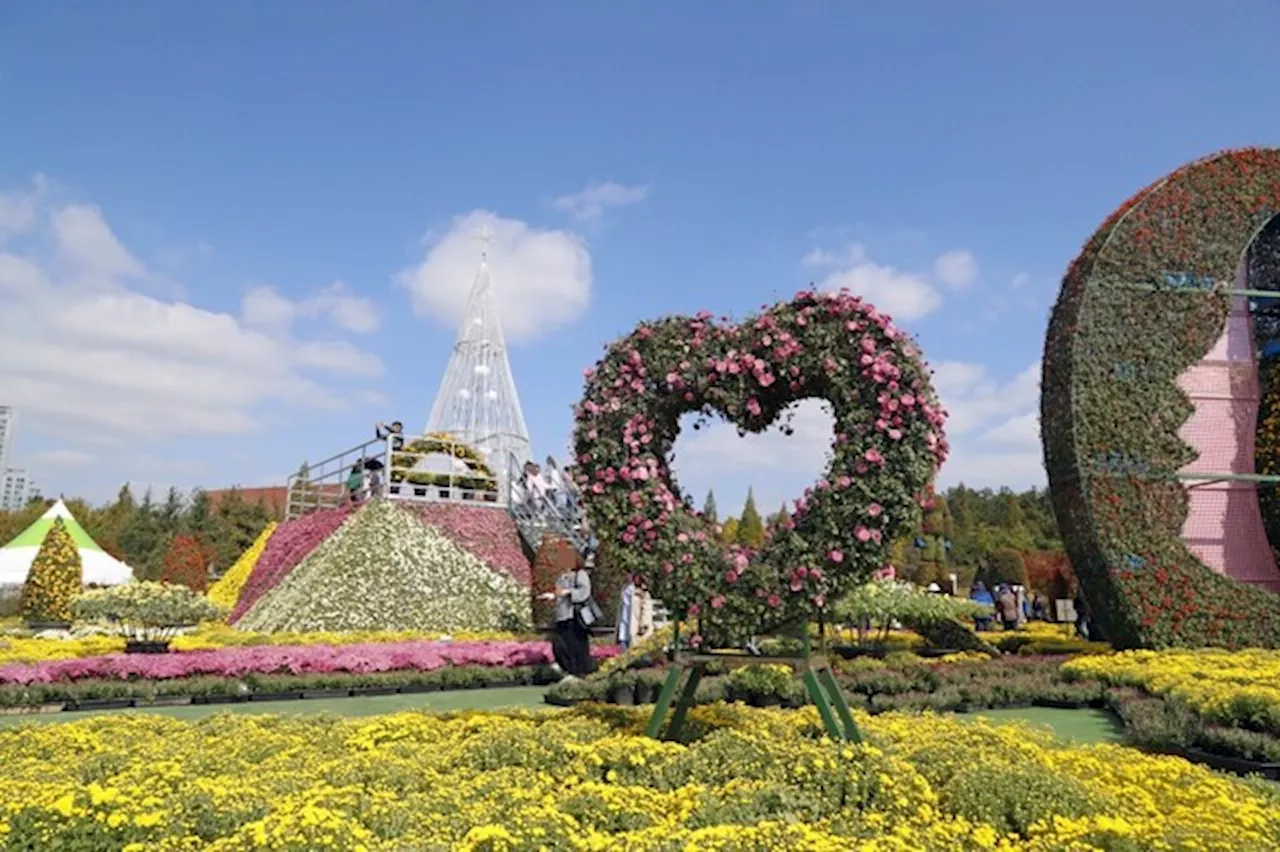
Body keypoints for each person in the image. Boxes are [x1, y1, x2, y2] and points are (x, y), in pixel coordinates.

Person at [539, 554, 600, 678]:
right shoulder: (561, 576)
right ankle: (569, 670)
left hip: (575, 617)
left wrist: (568, 592)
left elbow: (585, 592)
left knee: (576, 645)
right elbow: (558, 593)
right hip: (562, 616)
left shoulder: (580, 574)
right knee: (560, 644)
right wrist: (551, 596)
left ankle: (579, 672)